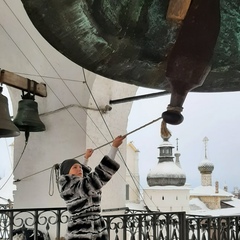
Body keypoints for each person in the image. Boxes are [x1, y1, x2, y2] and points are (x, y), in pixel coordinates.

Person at [59, 135, 125, 240]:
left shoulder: (79, 184)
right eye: (75, 167)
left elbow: (83, 178)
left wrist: (85, 159)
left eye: (80, 167)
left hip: (97, 226)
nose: (79, 169)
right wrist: (114, 148)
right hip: (81, 231)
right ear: (67, 172)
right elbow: (95, 180)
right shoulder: (69, 188)